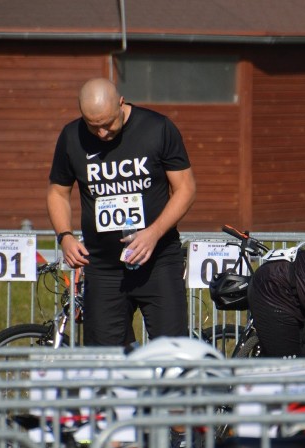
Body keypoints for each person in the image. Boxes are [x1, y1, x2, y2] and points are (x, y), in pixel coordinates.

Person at [47, 78, 196, 346]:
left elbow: (185, 189)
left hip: (158, 262)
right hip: (104, 269)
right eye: (94, 126)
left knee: (172, 353)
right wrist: (65, 236)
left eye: (108, 124)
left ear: (121, 102)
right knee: (106, 359)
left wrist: (153, 233)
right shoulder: (71, 137)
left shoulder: (157, 128)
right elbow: (58, 192)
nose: (103, 133)